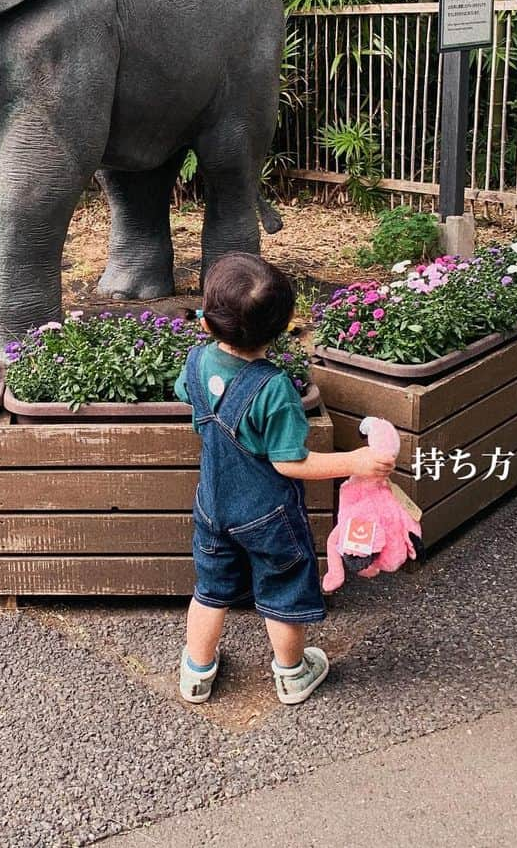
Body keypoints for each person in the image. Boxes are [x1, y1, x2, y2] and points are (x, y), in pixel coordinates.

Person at [175, 252, 394, 706]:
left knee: (211, 590)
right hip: (267, 515)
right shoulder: (273, 388)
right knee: (283, 591)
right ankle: (292, 673)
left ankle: (197, 672)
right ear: (281, 329)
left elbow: (189, 399)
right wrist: (354, 461)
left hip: (213, 506)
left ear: (209, 323)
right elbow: (290, 463)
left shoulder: (196, 363)